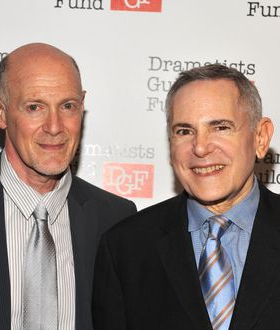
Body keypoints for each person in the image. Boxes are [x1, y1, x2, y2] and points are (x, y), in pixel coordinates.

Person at [0, 43, 136, 330]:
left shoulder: (117, 220)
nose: (54, 126)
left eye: (67, 106)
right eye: (34, 107)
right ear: (0, 111)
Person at [92, 64, 278, 330]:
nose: (200, 147)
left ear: (260, 138)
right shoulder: (126, 248)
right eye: (184, 131)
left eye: (221, 127)